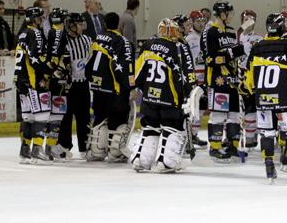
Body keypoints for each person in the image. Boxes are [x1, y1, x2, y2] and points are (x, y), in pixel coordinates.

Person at [244, 13, 287, 184]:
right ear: (282, 28)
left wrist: (251, 90)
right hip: (286, 98)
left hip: (264, 98)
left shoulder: (257, 47)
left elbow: (248, 78)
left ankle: (269, 167)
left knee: (267, 133)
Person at [131, 18, 197, 172]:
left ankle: (141, 160)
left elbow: (138, 73)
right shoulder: (180, 48)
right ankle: (166, 163)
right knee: (171, 126)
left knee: (150, 126)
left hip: (149, 97)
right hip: (171, 97)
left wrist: (138, 88)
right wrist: (190, 93)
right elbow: (188, 74)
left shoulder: (148, 45)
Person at [85, 12, 135, 163]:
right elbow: (126, 66)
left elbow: (89, 62)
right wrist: (130, 87)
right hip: (114, 88)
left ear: (104, 24)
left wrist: (92, 80)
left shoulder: (98, 38)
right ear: (118, 24)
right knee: (118, 119)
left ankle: (97, 151)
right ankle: (115, 153)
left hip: (97, 87)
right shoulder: (122, 41)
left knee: (100, 117)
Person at [200, 1, 246, 161]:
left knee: (234, 114)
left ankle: (232, 145)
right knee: (218, 115)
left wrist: (239, 53)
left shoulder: (232, 31)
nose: (231, 15)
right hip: (218, 80)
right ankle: (215, 147)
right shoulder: (210, 32)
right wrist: (231, 53)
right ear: (221, 14)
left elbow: (234, 55)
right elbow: (209, 59)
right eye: (229, 13)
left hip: (233, 80)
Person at [14, 6, 50, 164]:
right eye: (40, 17)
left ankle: (24, 151)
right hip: (33, 81)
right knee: (42, 115)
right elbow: (35, 58)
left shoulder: (22, 33)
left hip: (21, 81)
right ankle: (37, 150)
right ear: (34, 19)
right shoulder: (35, 33)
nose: (41, 20)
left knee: (28, 117)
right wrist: (46, 73)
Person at [57, 12, 92, 159]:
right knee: (66, 117)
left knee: (84, 116)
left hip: (83, 84)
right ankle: (64, 146)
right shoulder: (62, 41)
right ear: (71, 26)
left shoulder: (87, 40)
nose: (82, 26)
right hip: (67, 86)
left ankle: (85, 147)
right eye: (79, 24)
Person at [43, 7, 71, 160]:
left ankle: (49, 146)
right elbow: (53, 57)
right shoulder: (58, 33)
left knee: (54, 114)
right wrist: (51, 75)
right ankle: (50, 147)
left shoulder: (53, 32)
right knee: (57, 114)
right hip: (57, 79)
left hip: (57, 78)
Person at [238, 10, 263, 149]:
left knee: (253, 106)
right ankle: (243, 137)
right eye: (246, 19)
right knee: (241, 109)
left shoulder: (259, 38)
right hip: (239, 76)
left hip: (254, 77)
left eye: (252, 19)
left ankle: (252, 136)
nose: (249, 22)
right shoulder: (236, 37)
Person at [185, 10, 208, 146]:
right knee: (192, 108)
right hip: (193, 79)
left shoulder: (207, 36)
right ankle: (187, 137)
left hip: (205, 78)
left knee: (201, 108)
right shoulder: (189, 39)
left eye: (202, 21)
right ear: (192, 22)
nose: (201, 23)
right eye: (198, 21)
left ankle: (193, 135)